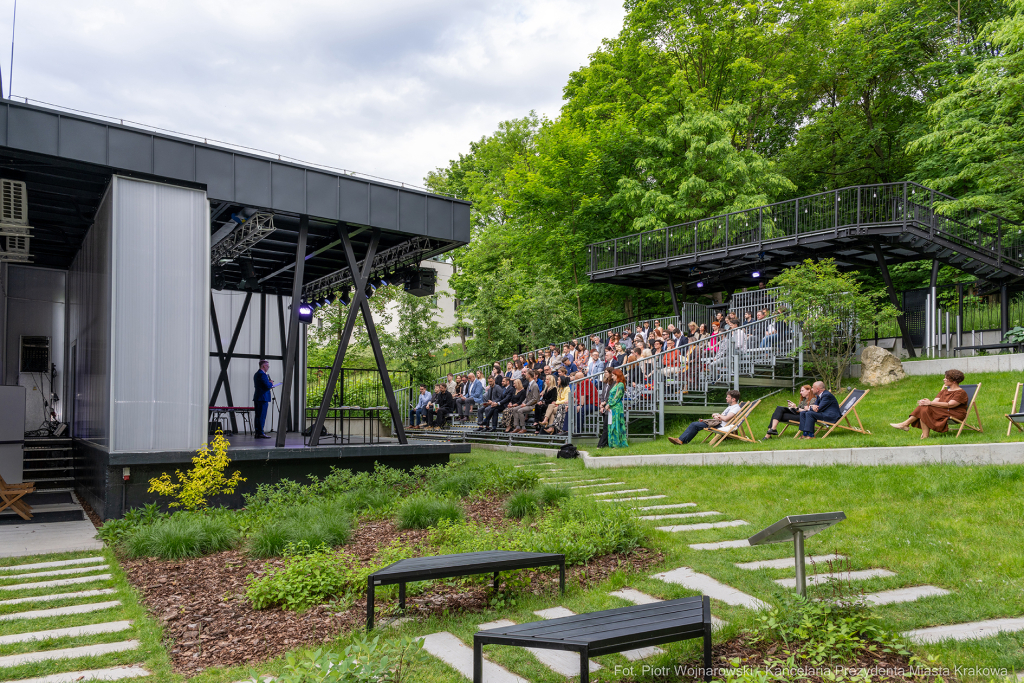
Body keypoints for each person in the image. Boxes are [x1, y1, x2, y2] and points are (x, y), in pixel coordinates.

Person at [890, 369, 969, 438]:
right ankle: (918, 433)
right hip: (943, 411)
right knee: (924, 408)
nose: (944, 379)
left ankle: (907, 425)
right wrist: (926, 402)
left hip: (955, 413)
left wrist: (930, 403)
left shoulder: (961, 393)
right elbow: (934, 403)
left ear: (954, 381)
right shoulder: (944, 391)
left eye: (946, 378)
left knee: (924, 409)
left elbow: (950, 405)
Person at [668, 389, 742, 445]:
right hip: (718, 423)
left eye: (728, 397)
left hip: (720, 425)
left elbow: (725, 418)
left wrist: (718, 416)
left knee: (694, 425)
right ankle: (681, 440)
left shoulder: (736, 408)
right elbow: (723, 416)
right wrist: (717, 415)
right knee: (696, 424)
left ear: (733, 399)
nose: (726, 398)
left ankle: (681, 440)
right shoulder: (730, 407)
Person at [253, 360, 278, 439]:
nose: (268, 368)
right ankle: (260, 432)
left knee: (258, 416)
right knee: (262, 416)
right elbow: (267, 386)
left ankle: (257, 432)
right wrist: (271, 382)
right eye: (268, 366)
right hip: (263, 398)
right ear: (264, 366)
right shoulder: (262, 374)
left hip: (258, 397)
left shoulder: (257, 374)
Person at [607, 369, 629, 448]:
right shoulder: (615, 384)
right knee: (612, 425)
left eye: (613, 375)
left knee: (616, 425)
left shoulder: (620, 385)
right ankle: (612, 443)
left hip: (616, 407)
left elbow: (617, 397)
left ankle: (617, 443)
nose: (612, 377)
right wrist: (608, 404)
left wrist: (609, 405)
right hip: (612, 407)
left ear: (617, 375)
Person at [596, 369, 613, 447]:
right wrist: (601, 404)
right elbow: (603, 395)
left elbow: (611, 395)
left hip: (609, 406)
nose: (605, 374)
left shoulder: (613, 383)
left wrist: (604, 403)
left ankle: (601, 444)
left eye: (606, 372)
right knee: (605, 426)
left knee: (606, 426)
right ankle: (606, 443)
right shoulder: (605, 383)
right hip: (604, 406)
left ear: (610, 373)